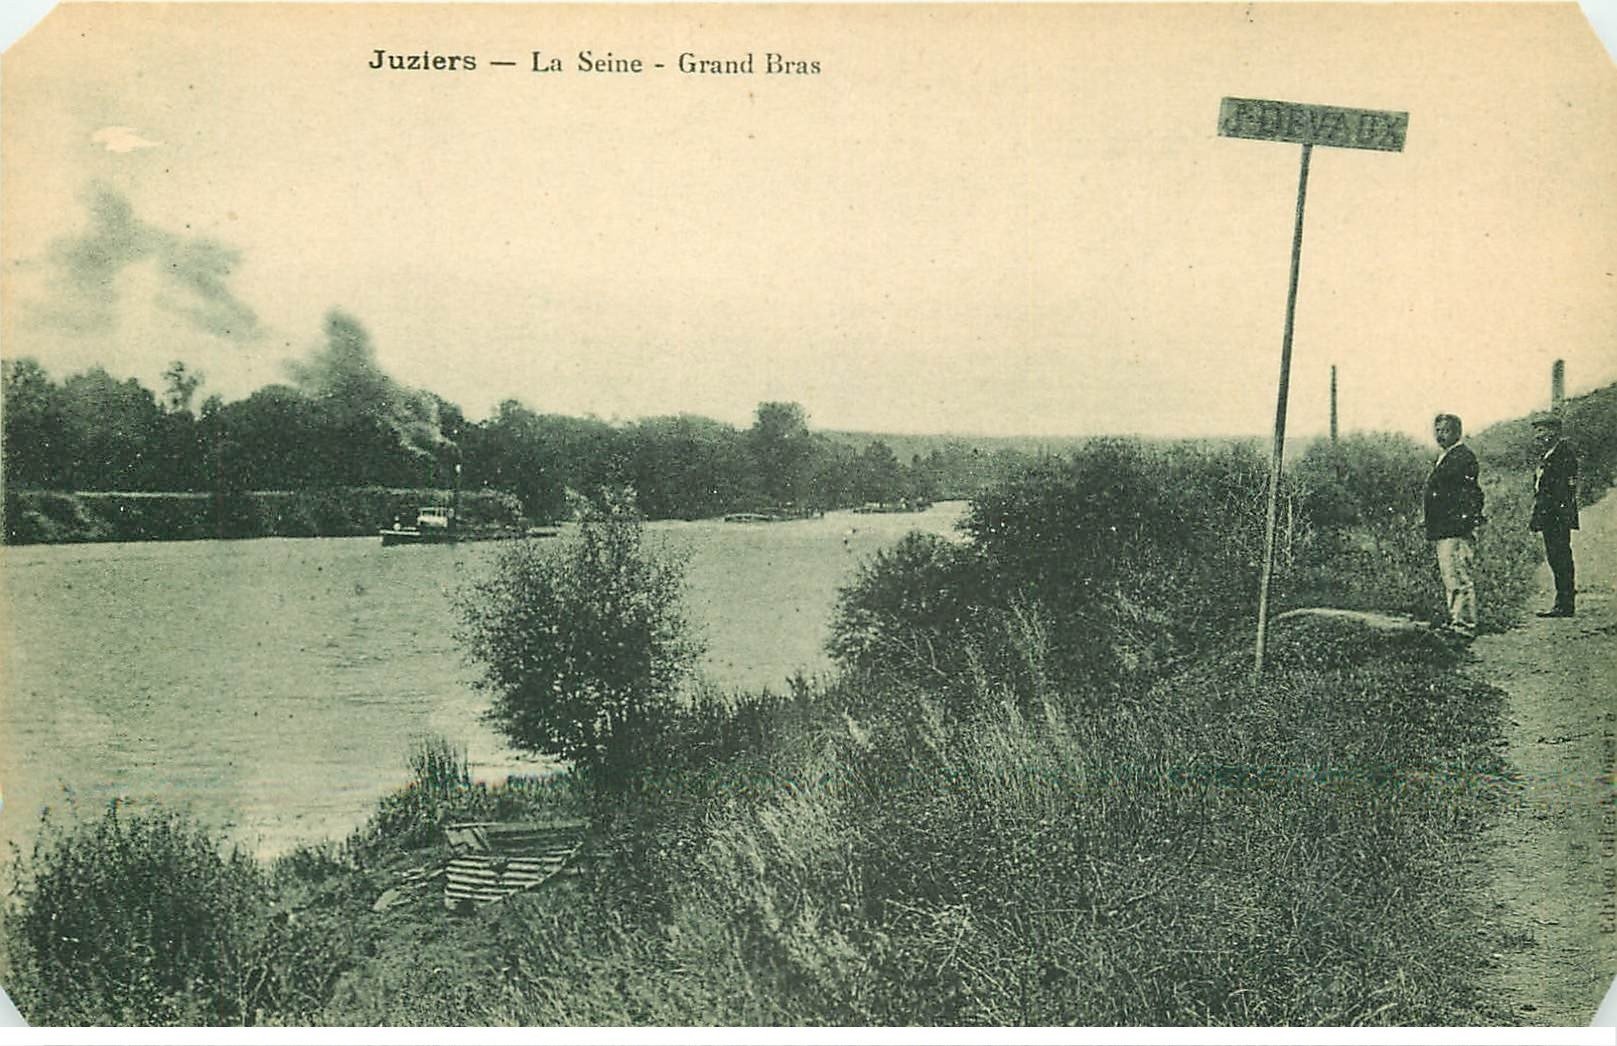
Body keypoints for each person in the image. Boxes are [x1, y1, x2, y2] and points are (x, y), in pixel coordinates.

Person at [1423, 413, 1484, 640]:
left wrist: (1465, 523)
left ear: (1457, 432)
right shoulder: (1447, 456)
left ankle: (1465, 625)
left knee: (1458, 576)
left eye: (1445, 430)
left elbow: (1470, 495)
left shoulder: (1462, 457)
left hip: (1455, 529)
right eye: (1437, 430)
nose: (1440, 435)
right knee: (1451, 576)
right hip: (1445, 528)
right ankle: (1457, 621)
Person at [1529, 412, 1579, 617]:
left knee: (1560, 557)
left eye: (1543, 430)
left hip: (1556, 516)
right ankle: (1563, 601)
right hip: (1551, 515)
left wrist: (1544, 515)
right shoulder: (1550, 454)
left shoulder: (1563, 454)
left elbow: (1561, 491)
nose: (1539, 435)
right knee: (1556, 557)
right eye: (1537, 431)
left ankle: (1565, 604)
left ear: (1555, 431)